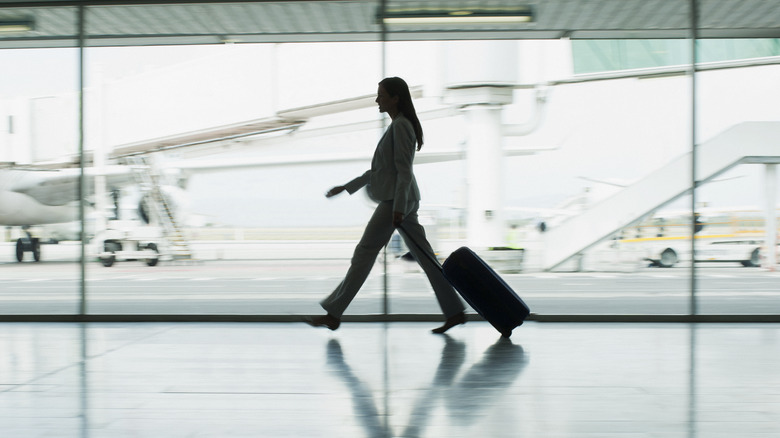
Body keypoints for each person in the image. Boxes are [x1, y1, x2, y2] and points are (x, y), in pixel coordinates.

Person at [306, 77, 466, 334]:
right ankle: (454, 311)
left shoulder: (401, 127)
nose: (377, 99)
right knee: (425, 259)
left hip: (396, 201)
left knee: (364, 253)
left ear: (395, 98)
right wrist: (347, 187)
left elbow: (404, 171)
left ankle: (334, 313)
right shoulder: (398, 126)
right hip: (401, 200)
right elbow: (379, 171)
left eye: (381, 95)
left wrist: (399, 209)